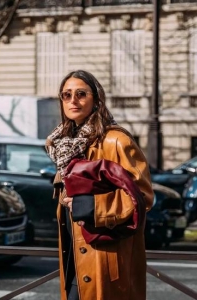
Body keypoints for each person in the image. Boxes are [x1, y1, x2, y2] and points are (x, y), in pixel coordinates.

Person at [45, 70, 154, 300]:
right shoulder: (62, 144)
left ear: (96, 100)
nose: (73, 100)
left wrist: (91, 205)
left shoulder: (116, 140)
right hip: (73, 256)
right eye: (66, 95)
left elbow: (142, 197)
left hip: (105, 259)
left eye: (81, 94)